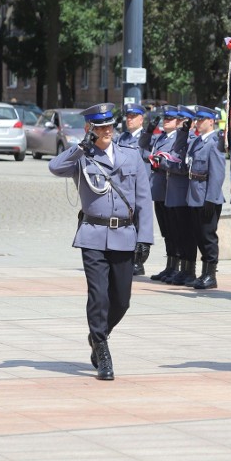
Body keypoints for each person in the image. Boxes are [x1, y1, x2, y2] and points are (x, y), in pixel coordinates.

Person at [48, 103, 154, 381]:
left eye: (109, 126)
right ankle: (103, 349)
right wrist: (80, 147)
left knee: (122, 300)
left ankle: (98, 335)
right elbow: (55, 167)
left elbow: (143, 199)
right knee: (98, 296)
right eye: (100, 127)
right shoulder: (82, 156)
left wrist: (145, 238)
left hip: (124, 235)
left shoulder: (131, 156)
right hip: (93, 234)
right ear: (89, 129)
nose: (107, 131)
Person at [185, 105, 226, 289]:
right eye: (197, 119)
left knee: (208, 237)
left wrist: (211, 197)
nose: (198, 123)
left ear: (211, 121)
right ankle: (204, 273)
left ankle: (210, 275)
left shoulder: (214, 142)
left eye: (202, 120)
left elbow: (217, 173)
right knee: (198, 235)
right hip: (194, 195)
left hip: (207, 197)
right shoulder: (197, 142)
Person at [117, 102, 159, 276]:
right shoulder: (122, 138)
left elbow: (149, 157)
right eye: (128, 116)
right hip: (123, 187)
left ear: (141, 119)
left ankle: (138, 260)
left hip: (140, 186)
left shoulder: (148, 138)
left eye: (133, 117)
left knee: (139, 221)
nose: (129, 120)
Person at [161, 106, 198, 286]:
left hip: (183, 193)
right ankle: (180, 268)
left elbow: (185, 166)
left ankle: (188, 270)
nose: (180, 122)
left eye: (184, 120)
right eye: (179, 119)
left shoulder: (191, 140)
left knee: (186, 234)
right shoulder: (179, 139)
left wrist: (166, 164)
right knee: (175, 232)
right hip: (173, 192)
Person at [148, 105, 182, 282]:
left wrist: (159, 161)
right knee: (166, 230)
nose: (165, 121)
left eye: (169, 119)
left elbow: (172, 159)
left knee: (174, 229)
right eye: (165, 118)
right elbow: (144, 149)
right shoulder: (160, 137)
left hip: (170, 189)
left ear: (177, 122)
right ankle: (169, 265)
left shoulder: (176, 138)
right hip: (159, 189)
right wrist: (148, 130)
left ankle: (176, 266)